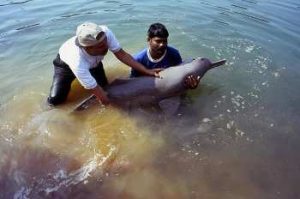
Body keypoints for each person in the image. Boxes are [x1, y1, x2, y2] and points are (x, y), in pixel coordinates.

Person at [47, 22, 161, 106]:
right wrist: (109, 106)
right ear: (88, 48)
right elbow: (95, 89)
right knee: (56, 100)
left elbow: (122, 55)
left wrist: (146, 71)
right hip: (65, 66)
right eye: (101, 46)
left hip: (94, 63)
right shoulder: (77, 60)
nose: (106, 46)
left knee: (106, 89)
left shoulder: (105, 32)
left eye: (105, 41)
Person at [130, 23, 200, 89]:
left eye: (165, 41)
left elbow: (180, 75)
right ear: (149, 40)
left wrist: (191, 85)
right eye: (158, 41)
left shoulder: (174, 54)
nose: (162, 45)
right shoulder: (138, 59)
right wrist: (148, 73)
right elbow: (132, 83)